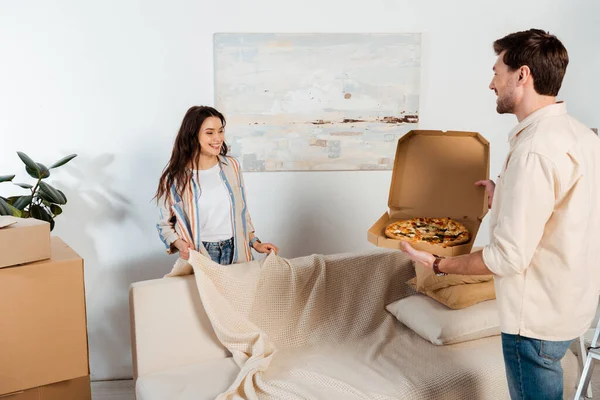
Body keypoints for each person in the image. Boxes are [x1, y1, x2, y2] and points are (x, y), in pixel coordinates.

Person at [400, 29, 600, 400]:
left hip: (534, 321)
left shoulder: (533, 152)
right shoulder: (582, 136)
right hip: (571, 308)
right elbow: (568, 209)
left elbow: (506, 258)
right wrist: (504, 194)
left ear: (522, 75)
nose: (491, 83)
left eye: (497, 72)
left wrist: (437, 264)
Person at [155, 105, 278, 265]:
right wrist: (180, 244)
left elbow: (242, 212)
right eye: (209, 133)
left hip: (237, 251)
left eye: (220, 131)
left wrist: (255, 243)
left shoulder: (232, 166)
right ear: (193, 136)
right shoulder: (175, 178)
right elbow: (164, 224)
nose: (218, 138)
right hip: (201, 254)